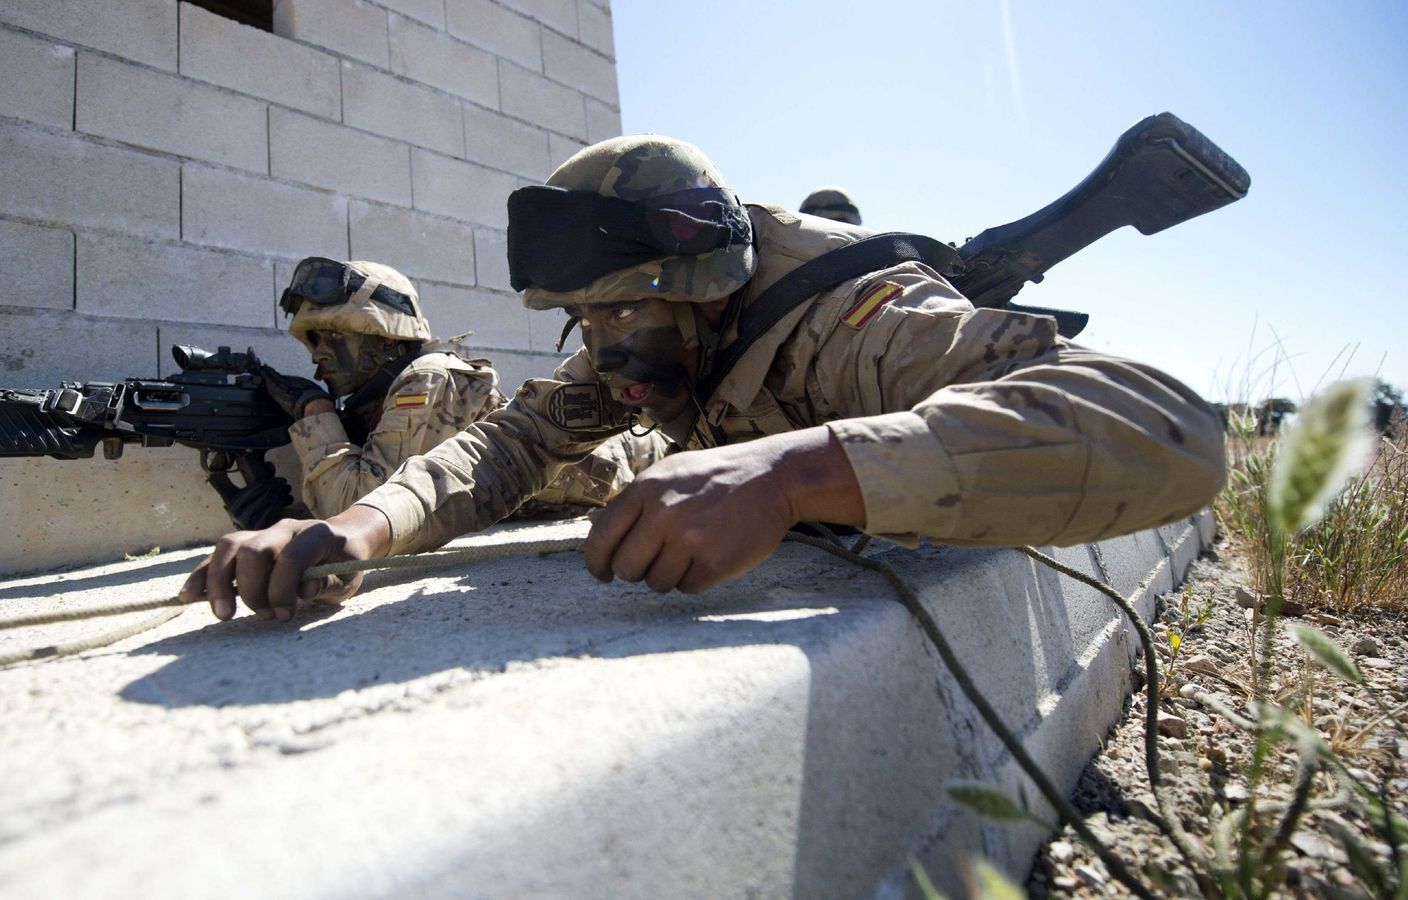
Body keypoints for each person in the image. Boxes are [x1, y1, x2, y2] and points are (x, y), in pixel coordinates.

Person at [182, 135, 1225, 622]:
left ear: (704, 287)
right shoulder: (645, 353)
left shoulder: (854, 327)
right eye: (587, 322)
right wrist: (353, 532)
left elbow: (1176, 433)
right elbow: (507, 447)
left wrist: (789, 476)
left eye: (621, 313)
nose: (606, 352)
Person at [257, 257, 666, 521]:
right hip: (571, 465)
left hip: (605, 460)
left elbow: (362, 508)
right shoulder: (377, 399)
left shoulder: (428, 377)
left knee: (669, 440)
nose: (316, 357)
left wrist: (314, 412)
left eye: (330, 337)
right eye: (310, 341)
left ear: (385, 338)